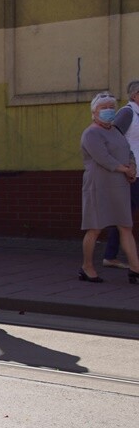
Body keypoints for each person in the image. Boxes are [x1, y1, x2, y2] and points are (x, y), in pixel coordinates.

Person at [79, 92, 139, 283]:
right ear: (94, 112)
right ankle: (87, 267)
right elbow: (103, 158)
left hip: (119, 185)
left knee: (126, 226)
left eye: (110, 107)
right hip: (98, 186)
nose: (108, 111)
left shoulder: (116, 131)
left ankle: (135, 269)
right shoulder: (91, 133)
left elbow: (127, 151)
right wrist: (125, 169)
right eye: (103, 108)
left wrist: (132, 167)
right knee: (95, 228)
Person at [104, 79, 139, 268]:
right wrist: (122, 166)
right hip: (131, 173)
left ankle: (110, 255)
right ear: (136, 95)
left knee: (125, 215)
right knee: (125, 215)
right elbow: (112, 138)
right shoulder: (127, 112)